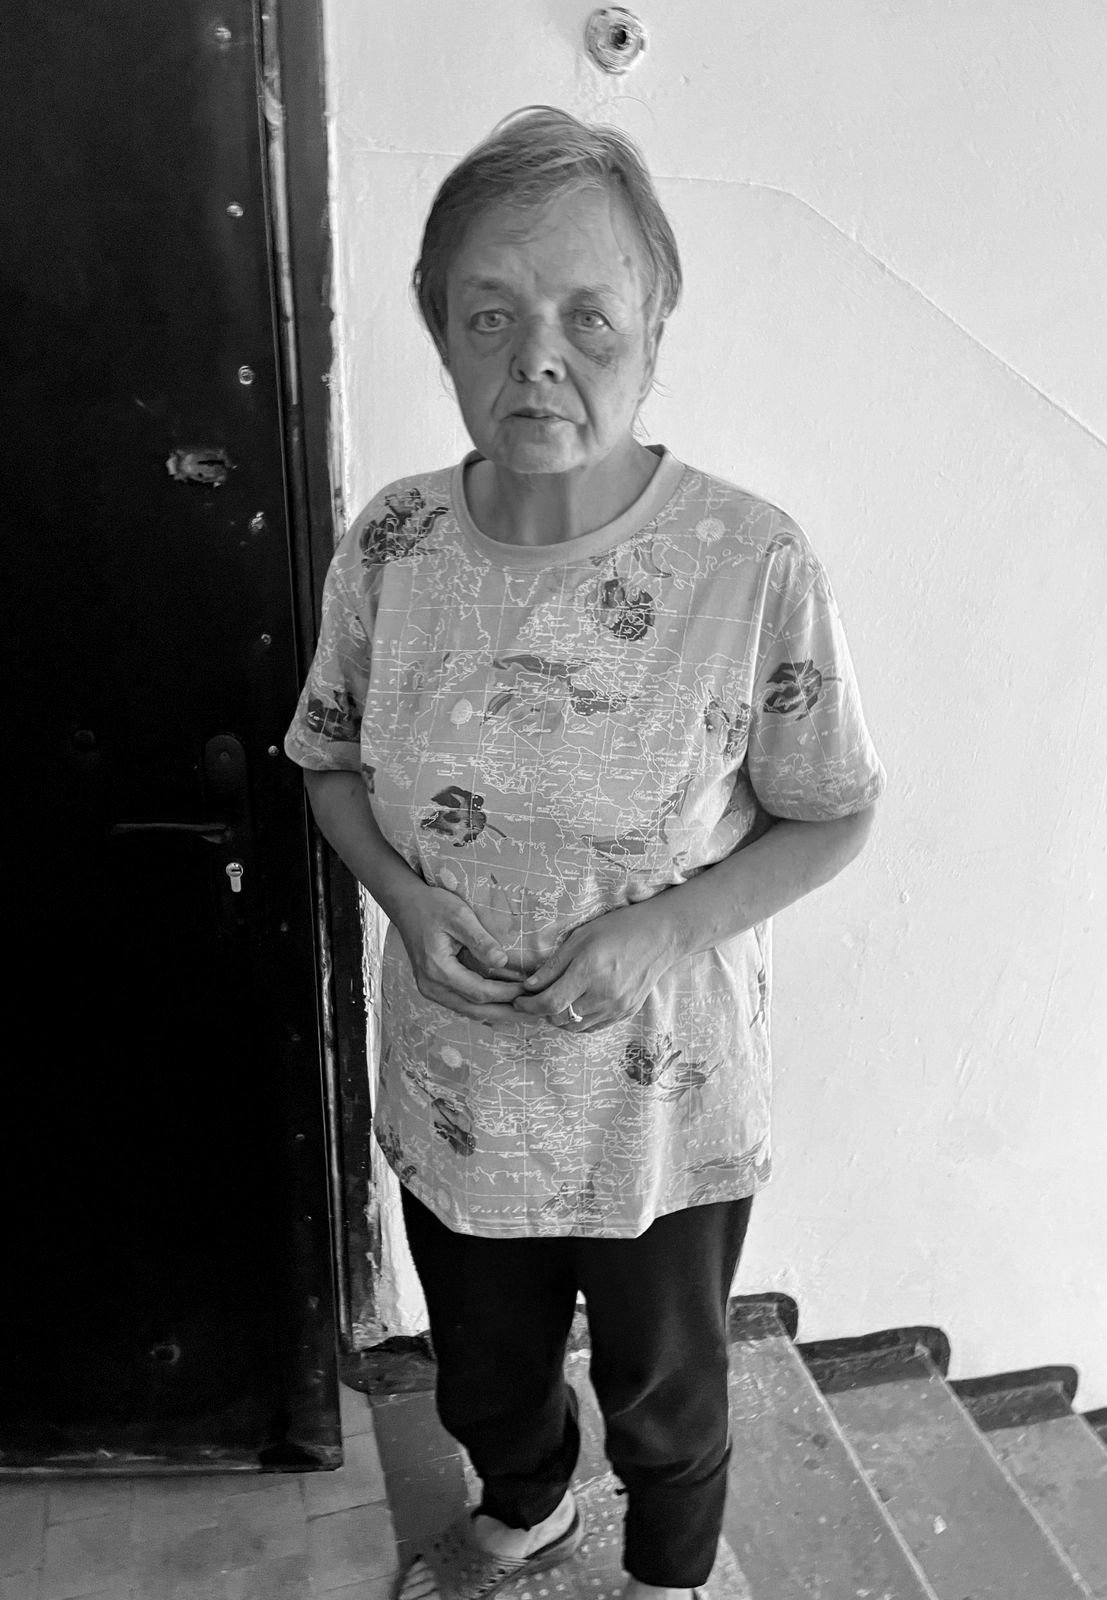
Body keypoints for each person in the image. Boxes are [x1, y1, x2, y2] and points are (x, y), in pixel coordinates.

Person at [285, 106, 885, 1600]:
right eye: (488, 313)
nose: (536, 357)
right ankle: (529, 1506)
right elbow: (328, 761)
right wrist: (404, 898)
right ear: (440, 330)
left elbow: (835, 808)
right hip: (458, 1085)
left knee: (666, 1388)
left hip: (659, 1104)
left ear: (655, 327)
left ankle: (669, 1574)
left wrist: (660, 931)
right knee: (483, 1366)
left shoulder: (750, 562)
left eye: (587, 316)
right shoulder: (392, 547)